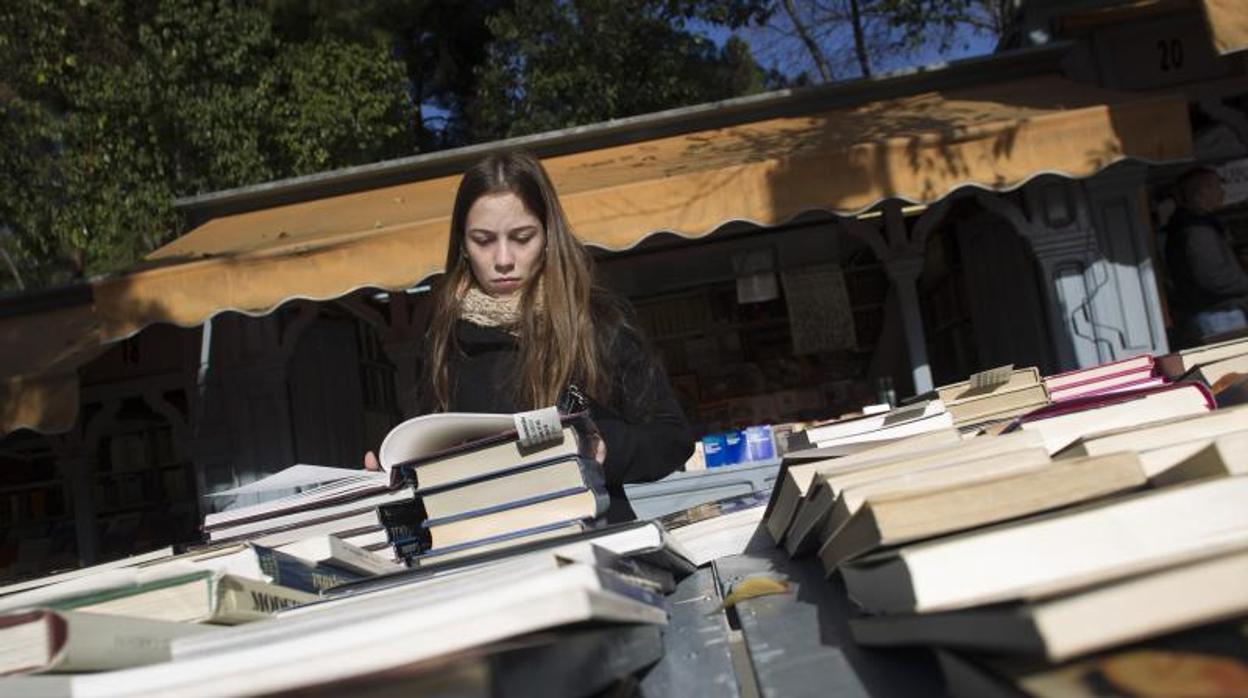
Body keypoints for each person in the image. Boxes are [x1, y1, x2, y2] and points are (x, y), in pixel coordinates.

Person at [364, 151, 693, 521]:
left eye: (522, 237)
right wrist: (396, 476)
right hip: (488, 552)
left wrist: (604, 445)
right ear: (462, 244)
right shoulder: (443, 336)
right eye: (483, 240)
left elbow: (672, 438)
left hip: (593, 545)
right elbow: (435, 456)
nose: (503, 259)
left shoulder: (596, 322)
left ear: (549, 235)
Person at [1164, 167, 1248, 344]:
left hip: (1217, 313)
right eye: (1217, 187)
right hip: (1219, 316)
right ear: (1203, 191)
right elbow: (1212, 277)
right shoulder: (1196, 231)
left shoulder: (1194, 227)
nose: (1222, 192)